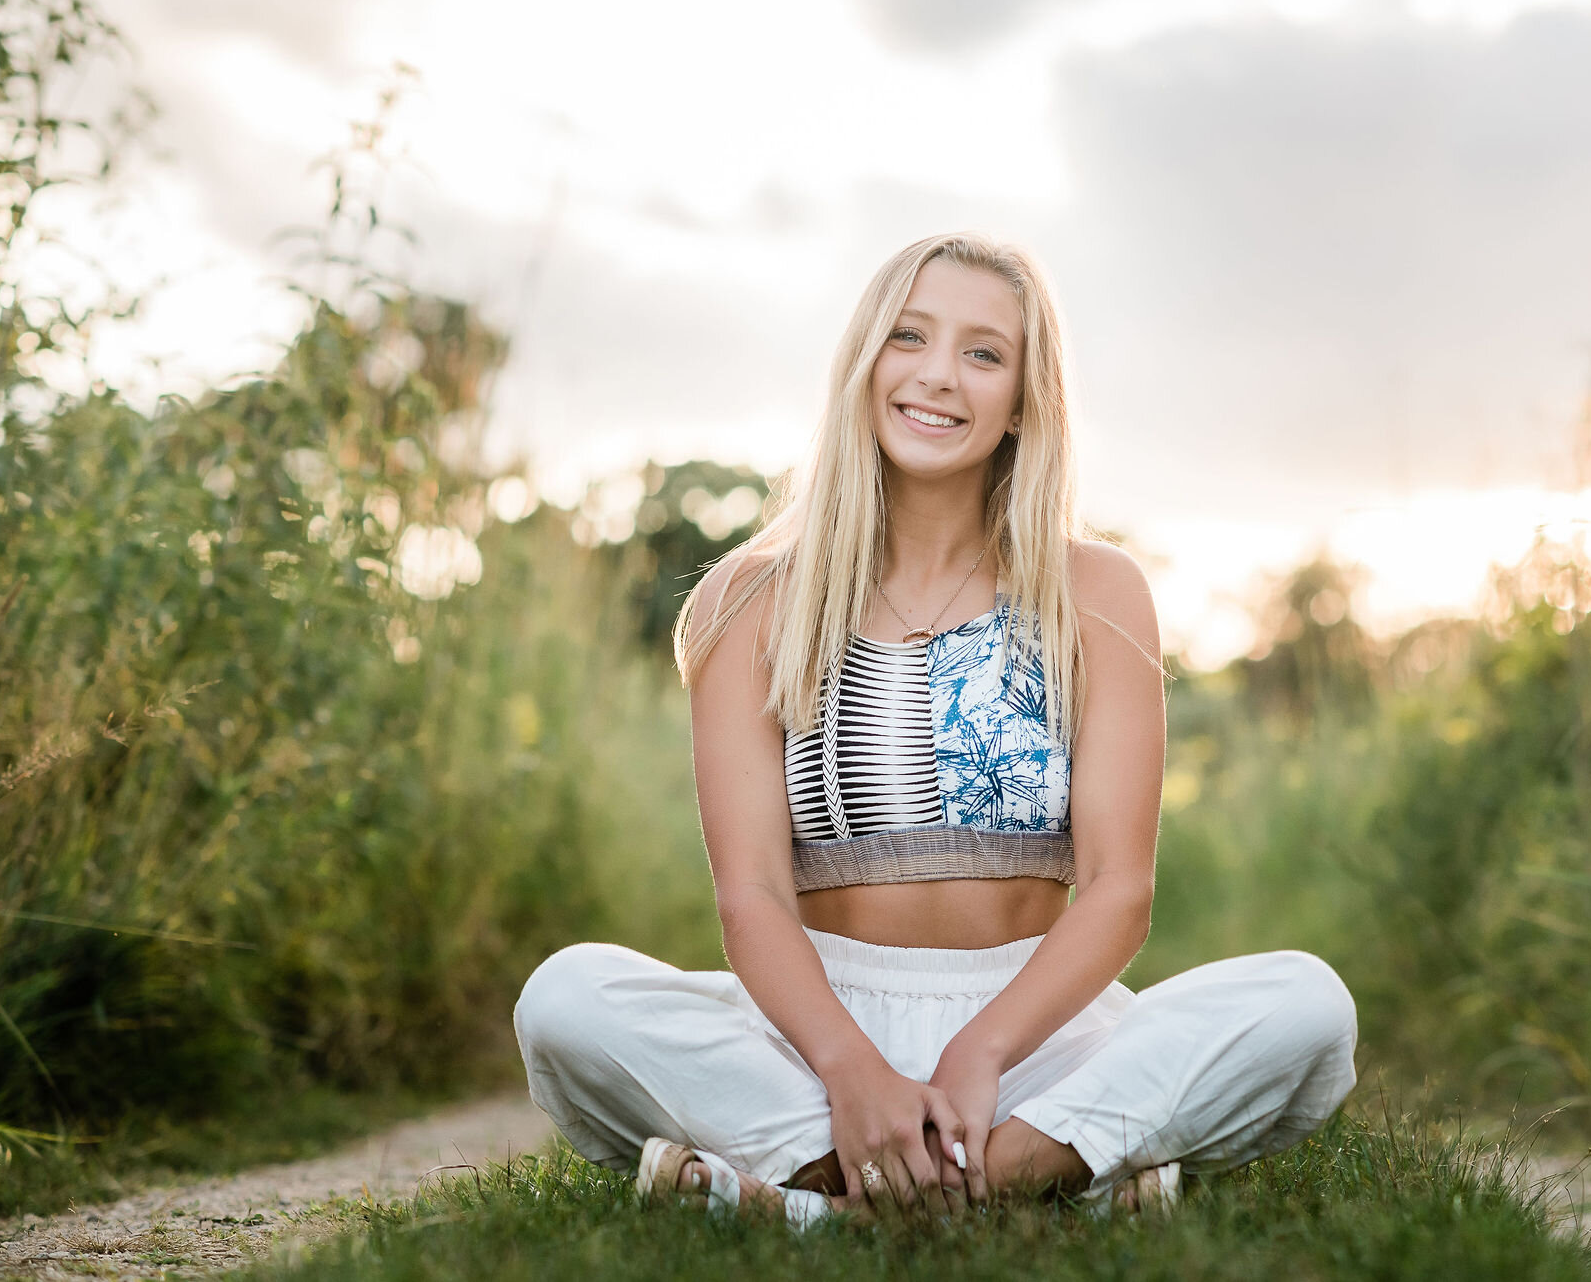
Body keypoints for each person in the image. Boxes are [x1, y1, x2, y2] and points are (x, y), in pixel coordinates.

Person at [512, 232, 1358, 1226]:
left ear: (1021, 402)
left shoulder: (1097, 591)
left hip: (1036, 1028)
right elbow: (750, 894)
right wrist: (849, 1068)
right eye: (907, 336)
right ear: (865, 362)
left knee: (1307, 1006)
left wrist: (982, 1051)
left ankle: (831, 1203)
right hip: (812, 1028)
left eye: (982, 353)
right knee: (565, 1000)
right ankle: (1036, 1183)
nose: (936, 376)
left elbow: (1119, 890)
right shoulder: (751, 599)